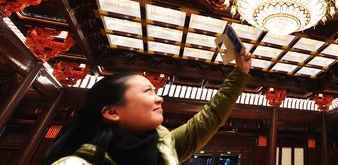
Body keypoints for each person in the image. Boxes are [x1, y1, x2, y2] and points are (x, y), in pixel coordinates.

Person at [43, 52, 252, 164]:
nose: (160, 98)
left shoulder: (163, 147)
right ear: (112, 112)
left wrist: (240, 73)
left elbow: (210, 117)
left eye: (155, 90)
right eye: (147, 91)